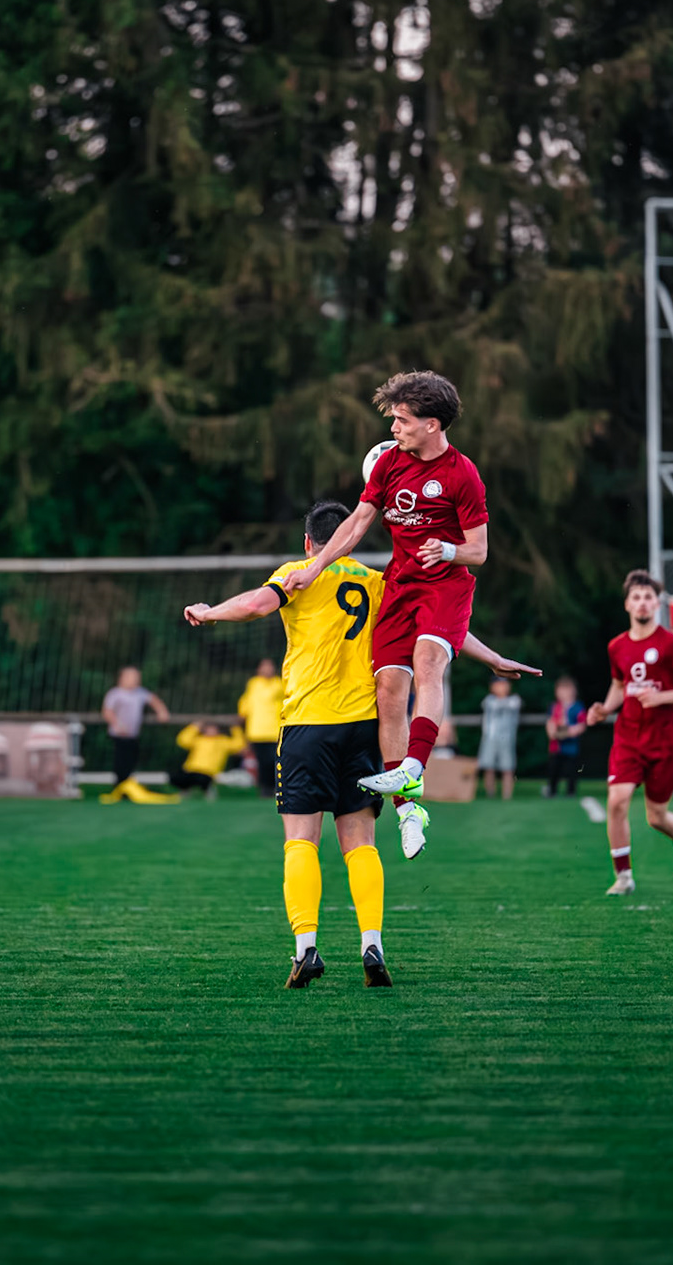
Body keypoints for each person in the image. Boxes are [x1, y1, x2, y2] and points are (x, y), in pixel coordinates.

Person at [184, 499, 537, 987]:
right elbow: (435, 627)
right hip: (365, 729)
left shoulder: (300, 572)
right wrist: (491, 657)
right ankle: (372, 945)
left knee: (300, 841)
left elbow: (257, 603)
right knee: (361, 845)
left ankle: (306, 950)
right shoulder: (377, 584)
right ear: (352, 537)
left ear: (309, 542)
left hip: (308, 726)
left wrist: (210, 612)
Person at [281, 371, 489, 859]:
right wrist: (315, 567)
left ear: (433, 424)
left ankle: (414, 766)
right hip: (401, 586)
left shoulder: (463, 475)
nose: (393, 428)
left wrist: (449, 550)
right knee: (389, 689)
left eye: (402, 419)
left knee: (427, 663)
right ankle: (408, 808)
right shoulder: (390, 463)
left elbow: (478, 551)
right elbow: (357, 523)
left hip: (445, 586)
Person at [584, 572, 673, 896]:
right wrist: (605, 709)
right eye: (636, 597)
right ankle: (623, 877)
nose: (642, 602)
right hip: (629, 737)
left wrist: (661, 697)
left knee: (656, 816)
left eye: (648, 597)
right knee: (617, 801)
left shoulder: (671, 644)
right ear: (627, 604)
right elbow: (620, 685)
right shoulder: (617, 646)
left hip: (666, 739)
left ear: (657, 603)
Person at [100, 666, 172, 803]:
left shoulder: (140, 692)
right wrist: (117, 724)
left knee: (132, 761)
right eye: (132, 677)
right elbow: (107, 711)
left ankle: (129, 788)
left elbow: (154, 701)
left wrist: (162, 712)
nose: (136, 680)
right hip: (119, 734)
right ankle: (120, 789)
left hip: (133, 734)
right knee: (121, 762)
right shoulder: (115, 693)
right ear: (122, 678)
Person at [237, 659, 284, 797]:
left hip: (274, 729)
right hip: (257, 730)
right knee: (262, 762)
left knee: (274, 760)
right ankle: (264, 789)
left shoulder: (279, 684)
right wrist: (243, 712)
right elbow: (246, 700)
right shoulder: (253, 684)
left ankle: (277, 787)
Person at [170, 721, 246, 796]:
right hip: (191, 770)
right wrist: (194, 727)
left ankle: (206, 791)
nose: (211, 731)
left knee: (202, 779)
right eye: (209, 729)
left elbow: (239, 745)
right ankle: (186, 790)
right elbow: (183, 740)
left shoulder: (223, 741)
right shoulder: (199, 740)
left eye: (213, 729)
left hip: (208, 772)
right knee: (175, 778)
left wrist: (236, 729)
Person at [477, 677, 521, 799]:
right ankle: (490, 794)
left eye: (504, 684)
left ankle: (507, 796)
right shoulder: (489, 700)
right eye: (498, 684)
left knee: (508, 768)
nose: (501, 687)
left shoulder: (514, 700)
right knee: (488, 767)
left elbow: (511, 705)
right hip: (490, 738)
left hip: (507, 740)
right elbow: (492, 705)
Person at [544, 677, 587, 797]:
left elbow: (582, 724)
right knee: (554, 769)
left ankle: (571, 791)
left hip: (571, 747)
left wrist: (570, 731)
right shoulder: (554, 707)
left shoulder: (577, 707)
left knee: (571, 770)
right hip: (556, 747)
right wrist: (553, 731)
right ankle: (552, 790)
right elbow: (550, 722)